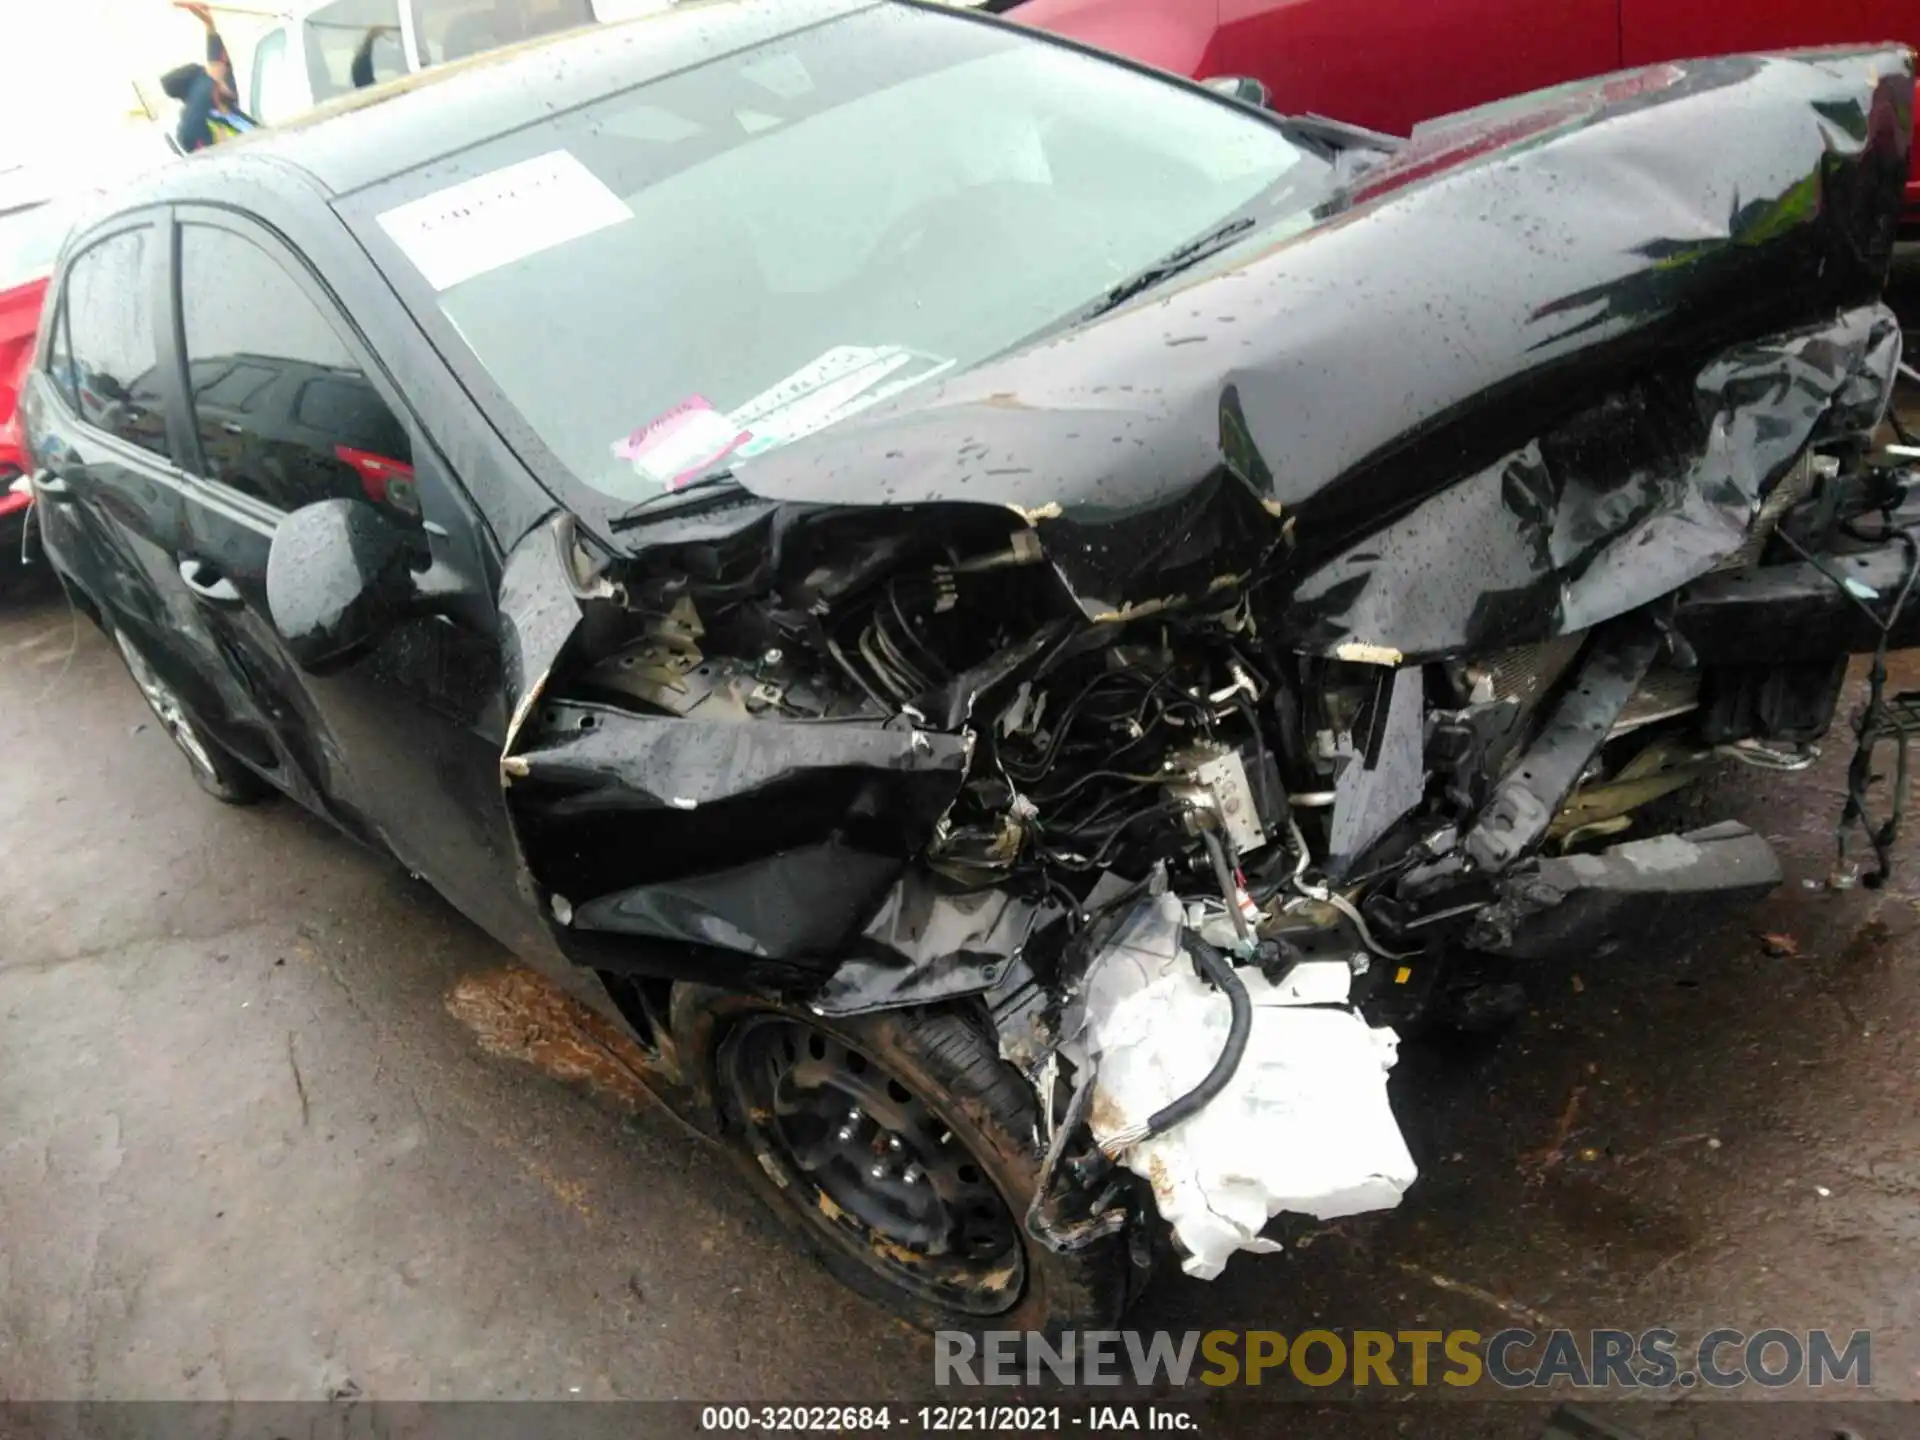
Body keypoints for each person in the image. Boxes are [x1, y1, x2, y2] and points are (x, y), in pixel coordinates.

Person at [159, 1, 258, 153]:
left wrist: (209, 24)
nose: (223, 76)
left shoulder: (226, 108)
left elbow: (218, 62)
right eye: (214, 79)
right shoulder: (194, 128)